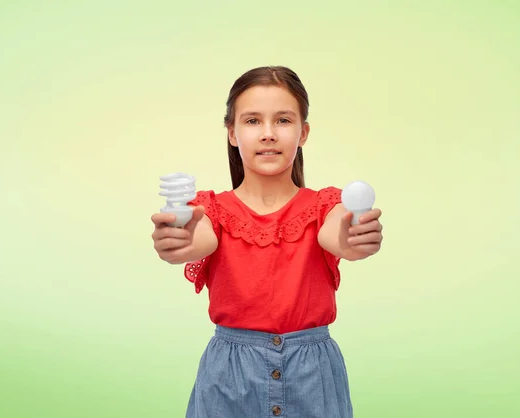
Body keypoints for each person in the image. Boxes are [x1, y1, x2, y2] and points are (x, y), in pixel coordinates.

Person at [151, 66, 383, 418]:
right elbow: (198, 238)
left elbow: (338, 234)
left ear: (303, 133)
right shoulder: (208, 210)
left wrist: (353, 237)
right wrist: (178, 239)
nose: (269, 134)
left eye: (284, 121)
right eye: (253, 121)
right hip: (229, 381)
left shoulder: (325, 207)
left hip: (313, 379)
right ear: (232, 133)